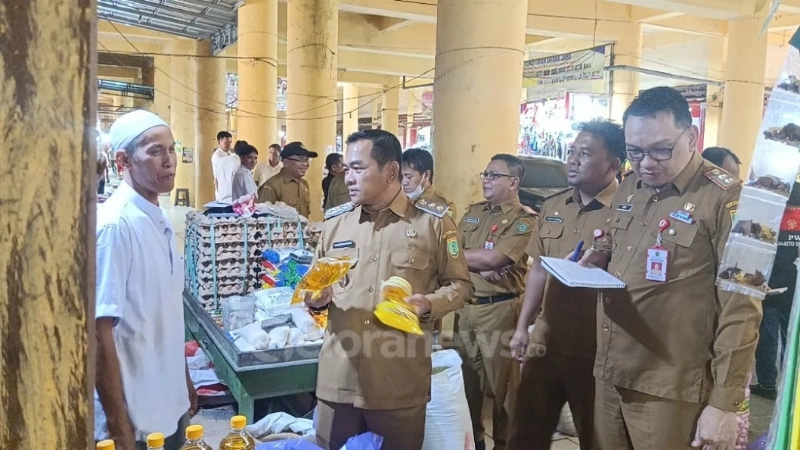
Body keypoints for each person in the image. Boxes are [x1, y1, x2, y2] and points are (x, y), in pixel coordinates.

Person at [579, 87, 761, 450]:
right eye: (634, 151)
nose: (647, 162)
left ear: (691, 137)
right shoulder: (632, 185)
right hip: (611, 367)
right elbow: (618, 237)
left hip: (670, 385)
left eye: (661, 150)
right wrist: (600, 253)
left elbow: (742, 309)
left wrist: (725, 404)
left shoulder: (728, 200)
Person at [307, 129, 474, 450]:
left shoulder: (432, 224)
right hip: (338, 377)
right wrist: (316, 302)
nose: (347, 178)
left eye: (357, 168)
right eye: (345, 169)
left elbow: (461, 285)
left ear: (391, 171)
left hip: (398, 381)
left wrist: (429, 303)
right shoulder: (335, 224)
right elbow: (318, 291)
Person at [508, 120, 624, 450]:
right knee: (526, 431)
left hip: (597, 347)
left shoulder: (628, 211)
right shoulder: (554, 205)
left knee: (596, 435)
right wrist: (522, 327)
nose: (572, 160)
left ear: (612, 165)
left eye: (584, 154)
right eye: (571, 152)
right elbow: (539, 270)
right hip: (547, 340)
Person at [95, 110, 197, 450]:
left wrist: (184, 381)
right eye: (155, 151)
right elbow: (98, 331)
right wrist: (117, 423)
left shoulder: (159, 219)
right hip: (134, 419)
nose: (169, 161)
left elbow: (166, 313)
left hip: (169, 401)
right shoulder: (114, 226)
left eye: (172, 150)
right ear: (123, 160)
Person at [454, 154, 535, 450]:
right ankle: (475, 442)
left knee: (505, 391)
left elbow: (497, 258)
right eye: (485, 174)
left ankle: (505, 444)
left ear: (513, 182)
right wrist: (478, 263)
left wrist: (470, 260)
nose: (485, 179)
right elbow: (449, 246)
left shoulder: (524, 220)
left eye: (493, 175)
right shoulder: (474, 213)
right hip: (466, 309)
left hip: (500, 309)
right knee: (468, 387)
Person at [752, 180, 800, 399]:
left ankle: (767, 384)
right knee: (792, 338)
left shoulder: (770, 219)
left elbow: (759, 250)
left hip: (770, 286)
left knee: (768, 338)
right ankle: (792, 387)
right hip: (795, 287)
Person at [258, 141, 317, 218]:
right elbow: (263, 221)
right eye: (301, 160)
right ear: (286, 162)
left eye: (307, 160)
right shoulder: (272, 186)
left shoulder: (304, 184)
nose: (306, 164)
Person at [402, 147, 456, 220]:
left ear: (426, 175)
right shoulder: (401, 200)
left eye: (409, 177)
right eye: (401, 177)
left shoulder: (442, 206)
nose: (403, 182)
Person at [212, 131, 237, 202]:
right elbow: (216, 177)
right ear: (220, 141)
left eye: (230, 142)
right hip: (223, 190)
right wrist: (219, 192)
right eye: (226, 142)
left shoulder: (229, 153)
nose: (228, 145)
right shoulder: (217, 155)